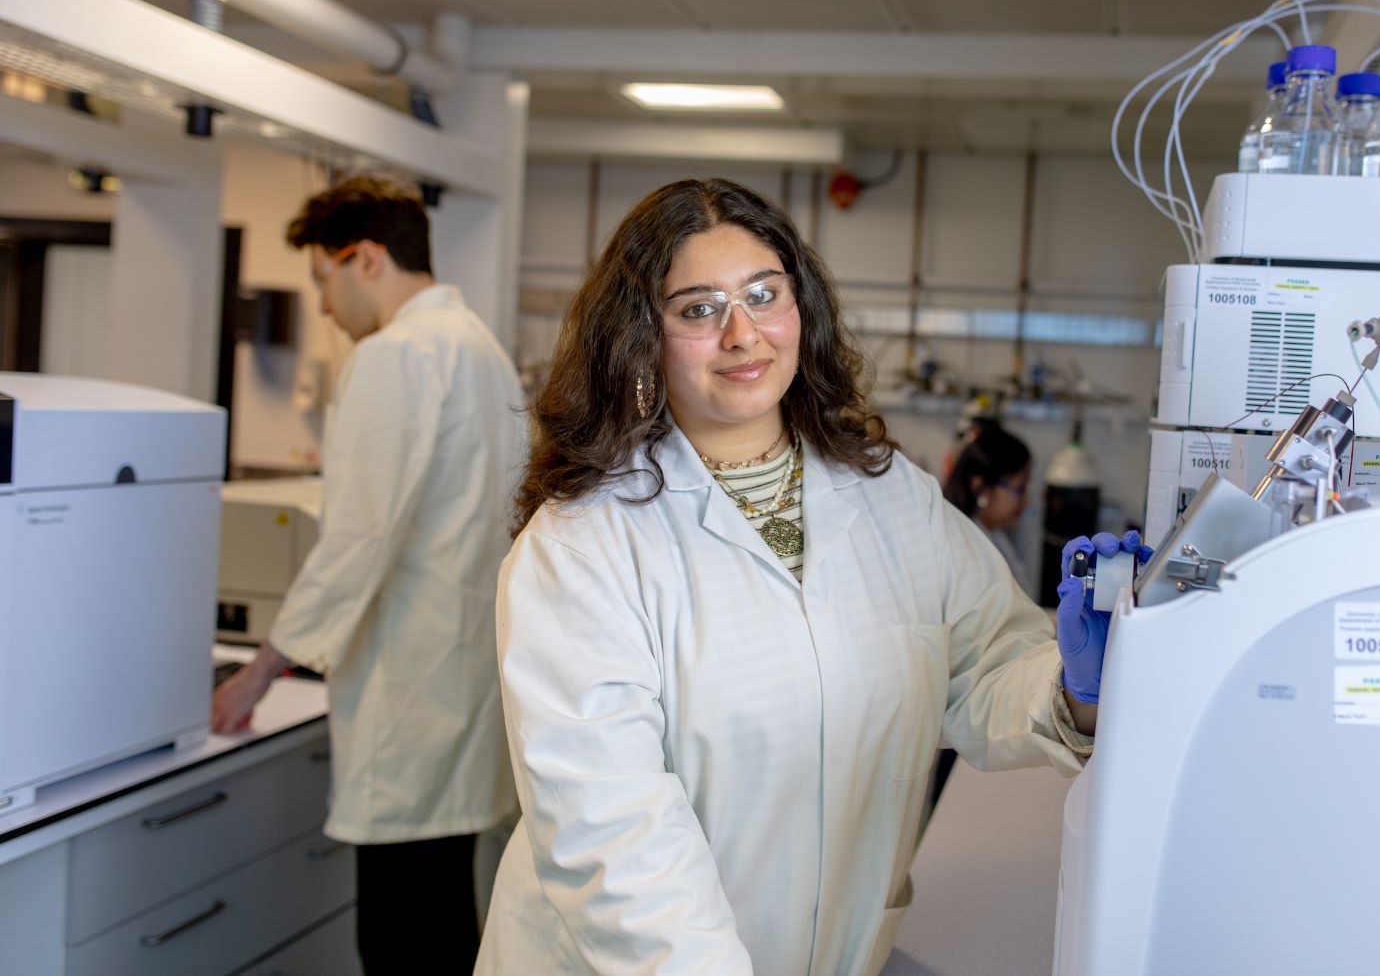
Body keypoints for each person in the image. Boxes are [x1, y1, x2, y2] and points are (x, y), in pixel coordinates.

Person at [475, 177, 1140, 976]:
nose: (742, 333)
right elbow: (615, 837)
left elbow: (984, 665)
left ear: (802, 308)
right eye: (698, 308)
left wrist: (1076, 686)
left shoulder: (889, 498)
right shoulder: (584, 545)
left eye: (763, 294)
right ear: (641, 337)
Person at [210, 175, 525, 975]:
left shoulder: (396, 354)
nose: (322, 305)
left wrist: (259, 670)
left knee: (397, 938)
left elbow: (359, 536)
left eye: (324, 278)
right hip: (463, 685)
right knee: (445, 919)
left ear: (367, 258)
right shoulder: (481, 348)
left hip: (408, 693)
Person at [943, 422, 1033, 587]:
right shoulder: (965, 551)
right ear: (980, 487)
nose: (1027, 500)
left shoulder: (992, 533)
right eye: (1020, 488)